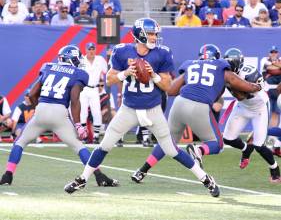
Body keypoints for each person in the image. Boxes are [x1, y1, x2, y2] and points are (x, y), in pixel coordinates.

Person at [64, 18, 222, 198]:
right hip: (128, 109)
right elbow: (109, 79)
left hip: (152, 110)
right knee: (105, 144)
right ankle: (83, 179)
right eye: (152, 34)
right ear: (140, 35)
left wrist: (153, 75)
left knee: (171, 149)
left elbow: (167, 86)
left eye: (155, 34)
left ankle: (206, 179)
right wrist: (126, 73)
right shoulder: (122, 51)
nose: (155, 37)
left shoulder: (162, 53)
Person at [129, 44, 261, 184]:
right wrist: (259, 85)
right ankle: (198, 150)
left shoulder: (190, 66)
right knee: (217, 144)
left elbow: (171, 91)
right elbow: (248, 87)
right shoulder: (222, 68)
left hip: (179, 103)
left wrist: (192, 87)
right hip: (200, 106)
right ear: (217, 57)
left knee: (167, 141)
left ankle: (141, 171)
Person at [0, 45, 118, 187]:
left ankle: (7, 175)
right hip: (59, 113)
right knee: (78, 146)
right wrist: (79, 124)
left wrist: (38, 107)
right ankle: (99, 176)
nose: (79, 61)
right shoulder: (78, 73)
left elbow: (31, 94)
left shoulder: (48, 67)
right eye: (77, 59)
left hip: (41, 110)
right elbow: (75, 101)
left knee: (19, 142)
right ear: (71, 60)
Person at [222, 48, 281, 183]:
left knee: (259, 146)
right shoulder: (225, 73)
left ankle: (274, 168)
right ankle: (246, 149)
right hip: (242, 107)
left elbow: (243, 95)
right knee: (228, 139)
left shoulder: (250, 73)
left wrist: (230, 83)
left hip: (259, 108)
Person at [79, 42, 108, 144]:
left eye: (93, 49)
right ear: (86, 50)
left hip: (95, 89)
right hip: (83, 89)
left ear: (95, 50)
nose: (91, 51)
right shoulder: (81, 60)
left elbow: (107, 71)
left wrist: (109, 56)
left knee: (96, 112)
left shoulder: (100, 59)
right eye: (89, 49)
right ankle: (84, 136)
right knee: (83, 112)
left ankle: (96, 136)